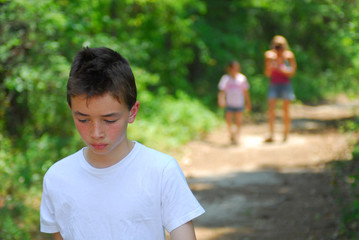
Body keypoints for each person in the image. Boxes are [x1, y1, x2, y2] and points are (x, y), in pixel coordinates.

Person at [40, 47, 205, 240]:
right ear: (71, 110)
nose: (96, 133)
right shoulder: (57, 177)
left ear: (132, 112)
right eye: (83, 120)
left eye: (109, 120)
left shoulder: (160, 171)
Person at [264, 35, 297, 142]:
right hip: (274, 84)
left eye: (281, 46)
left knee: (286, 110)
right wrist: (271, 65)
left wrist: (280, 67)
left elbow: (292, 73)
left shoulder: (289, 56)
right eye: (277, 46)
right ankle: (271, 134)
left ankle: (286, 134)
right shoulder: (269, 56)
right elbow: (267, 73)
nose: (279, 49)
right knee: (271, 110)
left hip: (285, 84)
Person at [218, 60, 251, 145]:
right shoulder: (225, 79)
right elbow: (222, 91)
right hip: (230, 103)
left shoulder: (242, 78)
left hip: (239, 103)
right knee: (228, 120)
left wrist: (248, 102)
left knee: (238, 120)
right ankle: (232, 133)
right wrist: (221, 100)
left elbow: (246, 92)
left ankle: (237, 136)